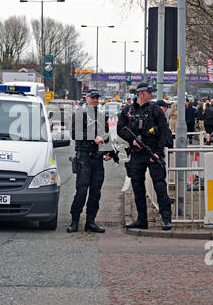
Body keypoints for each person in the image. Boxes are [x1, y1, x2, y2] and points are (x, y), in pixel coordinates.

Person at [117, 82, 172, 231]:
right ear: (141, 94)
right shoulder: (128, 110)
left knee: (159, 185)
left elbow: (164, 131)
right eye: (149, 92)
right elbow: (120, 129)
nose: (152, 94)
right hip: (136, 154)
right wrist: (132, 140)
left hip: (152, 152)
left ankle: (166, 219)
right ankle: (142, 220)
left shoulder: (155, 110)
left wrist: (158, 152)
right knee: (137, 186)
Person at [67, 89, 117, 233]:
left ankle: (90, 222)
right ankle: (74, 221)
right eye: (93, 98)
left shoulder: (101, 115)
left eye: (97, 98)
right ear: (87, 98)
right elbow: (74, 134)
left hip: (97, 158)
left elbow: (106, 135)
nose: (95, 100)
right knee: (81, 191)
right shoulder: (79, 113)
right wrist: (92, 137)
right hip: (84, 157)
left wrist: (109, 152)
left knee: (96, 192)